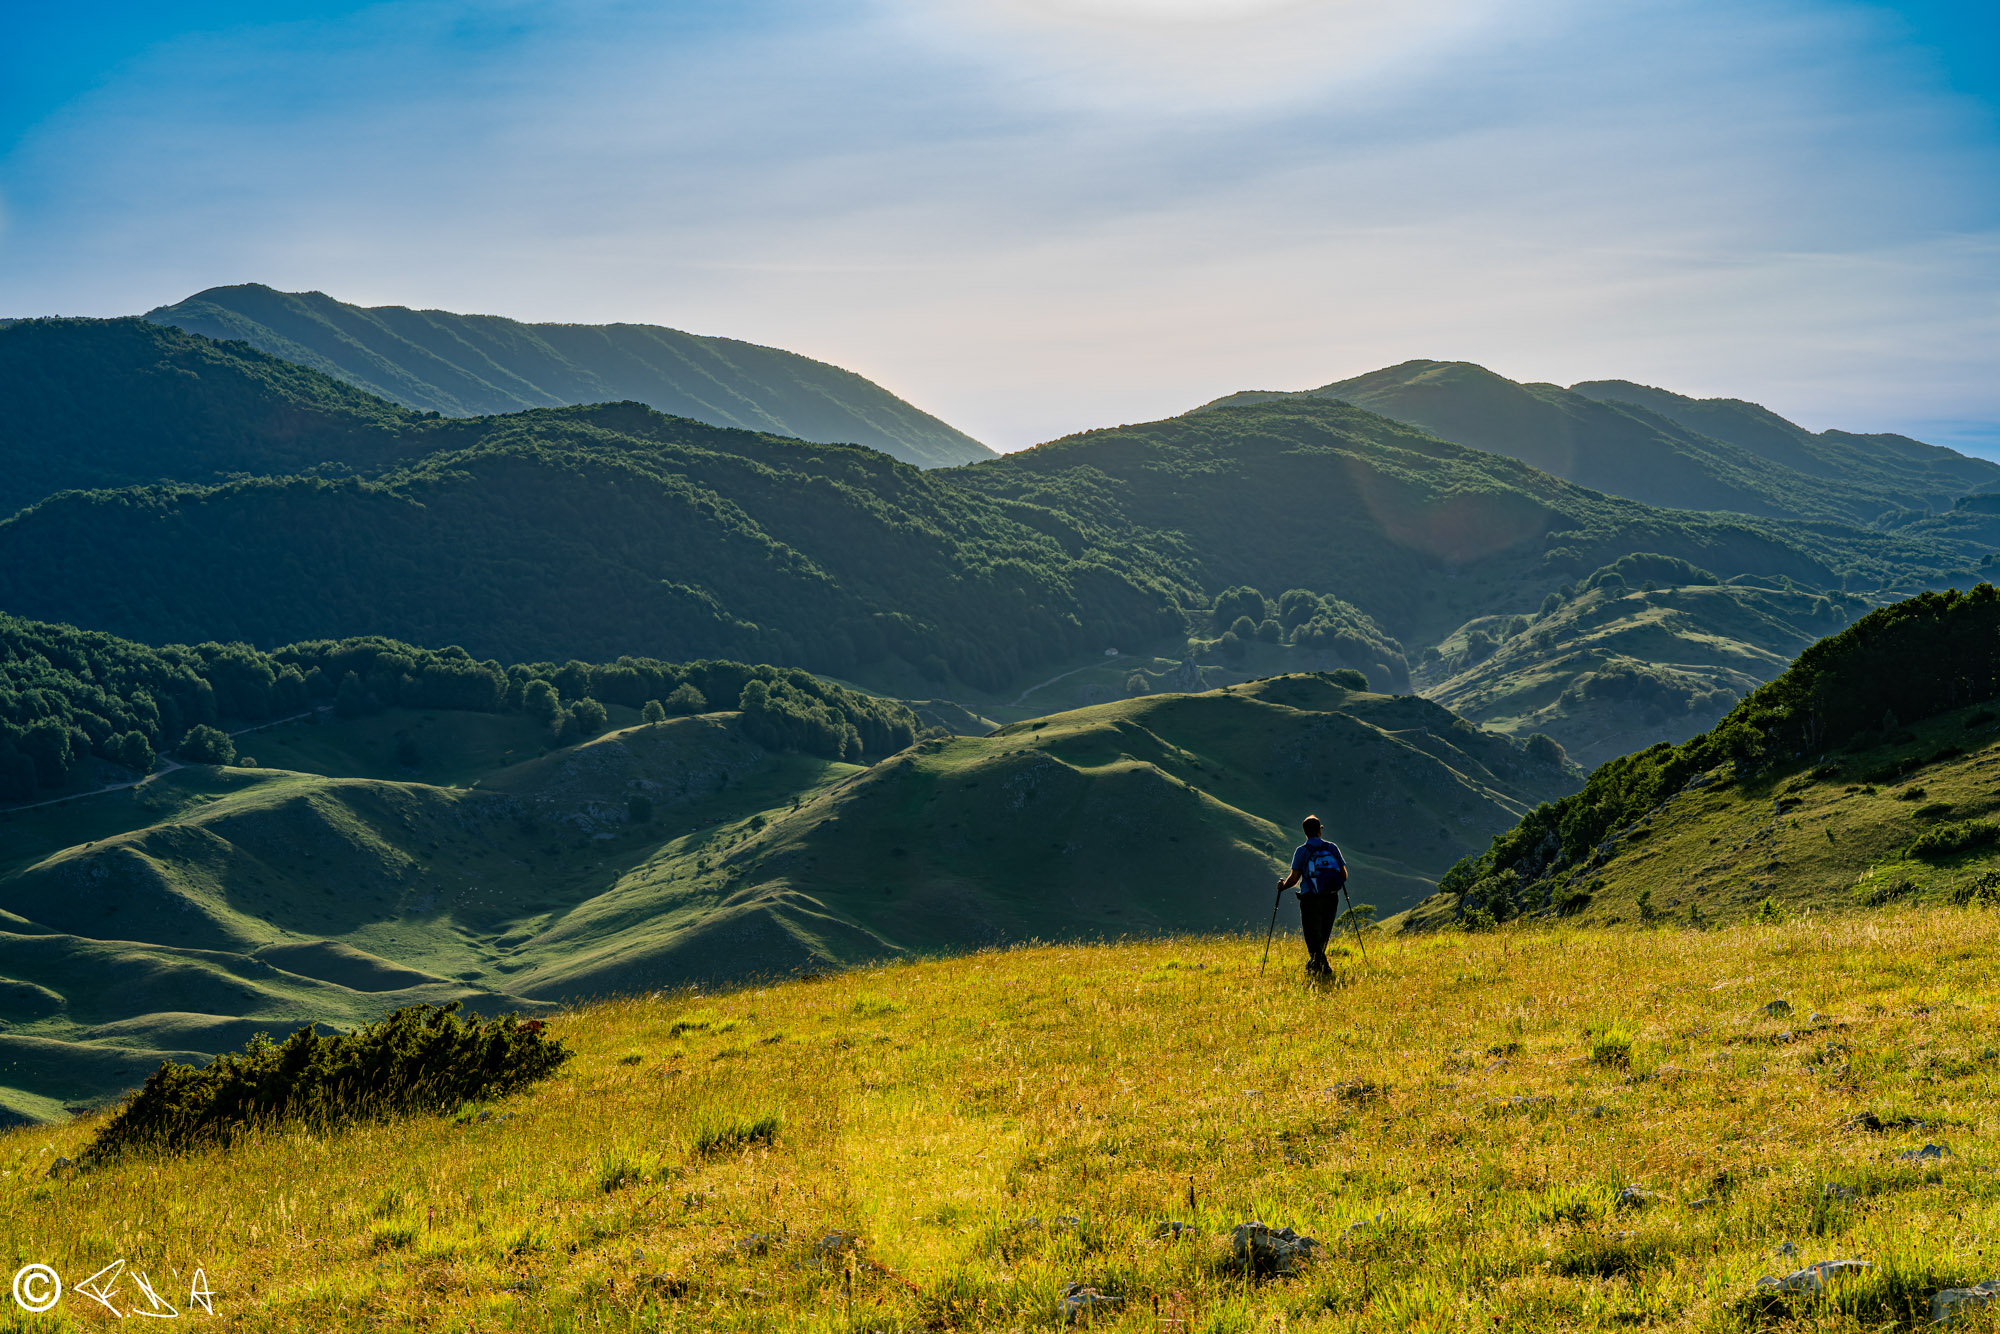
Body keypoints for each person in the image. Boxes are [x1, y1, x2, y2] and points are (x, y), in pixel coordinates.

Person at [1275, 815, 1347, 976]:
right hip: (1331, 897)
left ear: (1305, 832)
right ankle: (1316, 965)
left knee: (1312, 933)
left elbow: (1294, 878)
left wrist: (1282, 887)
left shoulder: (1302, 851)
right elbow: (1343, 875)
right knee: (1323, 933)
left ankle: (1322, 968)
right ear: (1319, 831)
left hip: (1310, 898)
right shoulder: (1332, 848)